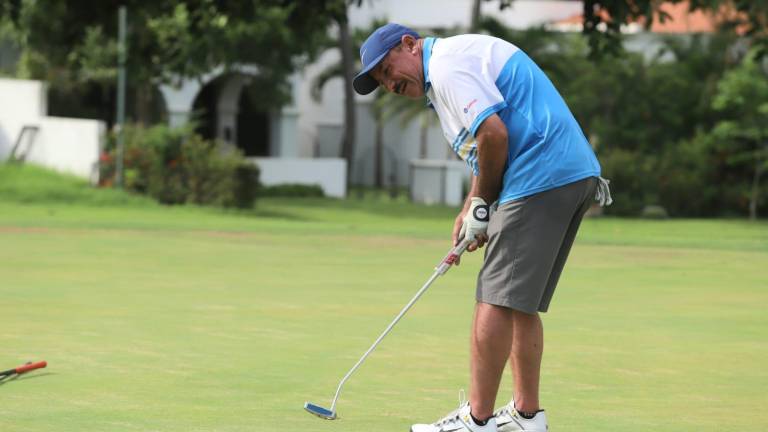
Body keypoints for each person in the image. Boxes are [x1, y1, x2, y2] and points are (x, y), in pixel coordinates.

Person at [352, 23, 611, 432]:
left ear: (409, 45)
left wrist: (482, 204)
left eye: (387, 70)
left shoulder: (449, 66)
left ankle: (478, 419)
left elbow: (494, 135)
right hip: (564, 173)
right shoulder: (443, 78)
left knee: (493, 298)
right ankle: (527, 417)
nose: (389, 84)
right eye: (381, 81)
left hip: (540, 174)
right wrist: (472, 209)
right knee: (518, 302)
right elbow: (483, 149)